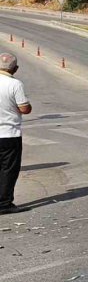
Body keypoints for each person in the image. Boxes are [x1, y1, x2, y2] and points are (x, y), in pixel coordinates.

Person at [0, 53, 32, 214]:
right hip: (9, 134)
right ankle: (4, 203)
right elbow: (24, 108)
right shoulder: (15, 84)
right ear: (15, 69)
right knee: (8, 169)